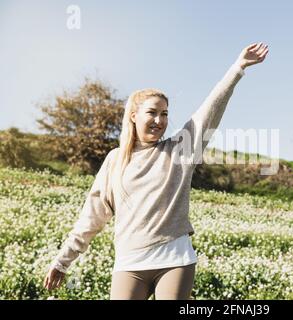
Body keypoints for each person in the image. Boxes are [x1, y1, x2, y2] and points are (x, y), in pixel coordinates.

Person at [43, 42, 269, 300]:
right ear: (133, 116)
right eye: (152, 112)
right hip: (129, 262)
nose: (160, 121)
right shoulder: (115, 160)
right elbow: (91, 217)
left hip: (175, 258)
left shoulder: (179, 150)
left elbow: (208, 113)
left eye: (165, 114)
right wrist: (62, 260)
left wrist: (237, 68)